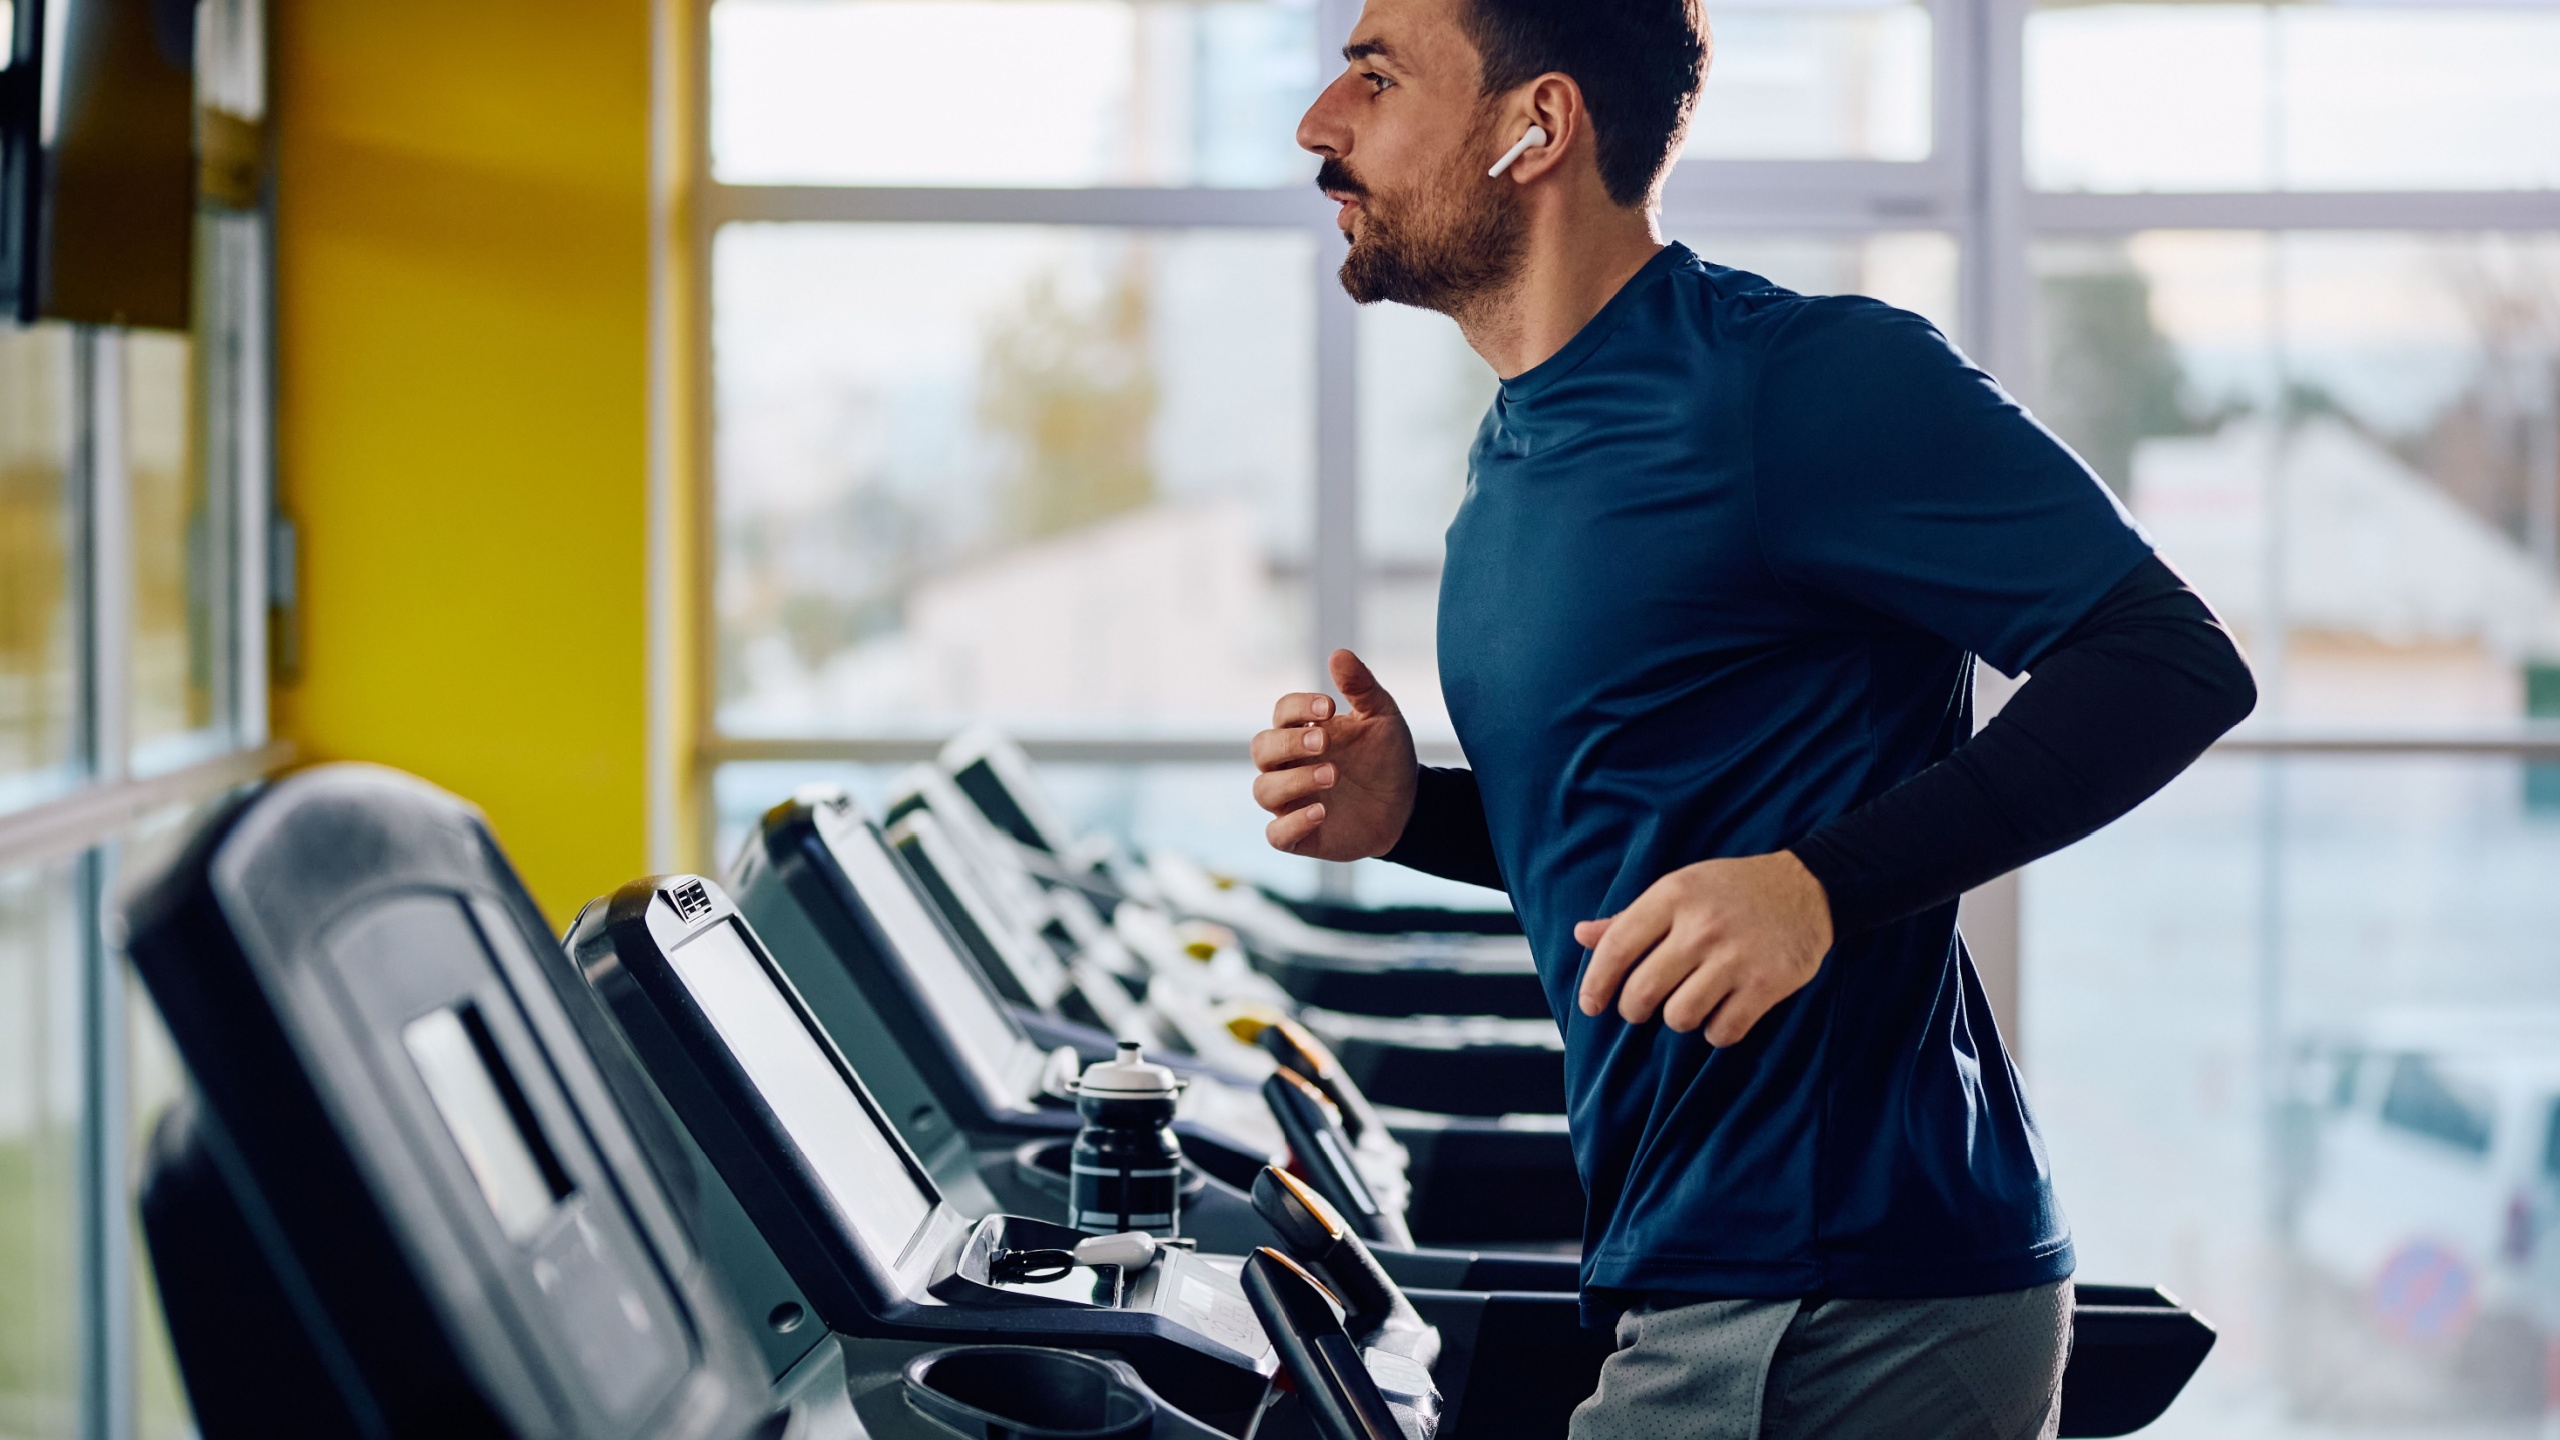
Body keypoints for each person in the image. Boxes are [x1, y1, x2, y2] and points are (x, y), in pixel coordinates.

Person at [1246, 1, 2258, 1435]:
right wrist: (1418, 817)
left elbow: (2168, 661)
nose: (1318, 125)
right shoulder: (1525, 440)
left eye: (1375, 75)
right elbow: (1656, 828)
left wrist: (1818, 889)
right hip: (1705, 1259)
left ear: (1539, 125)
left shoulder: (1800, 383)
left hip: (1837, 1281)